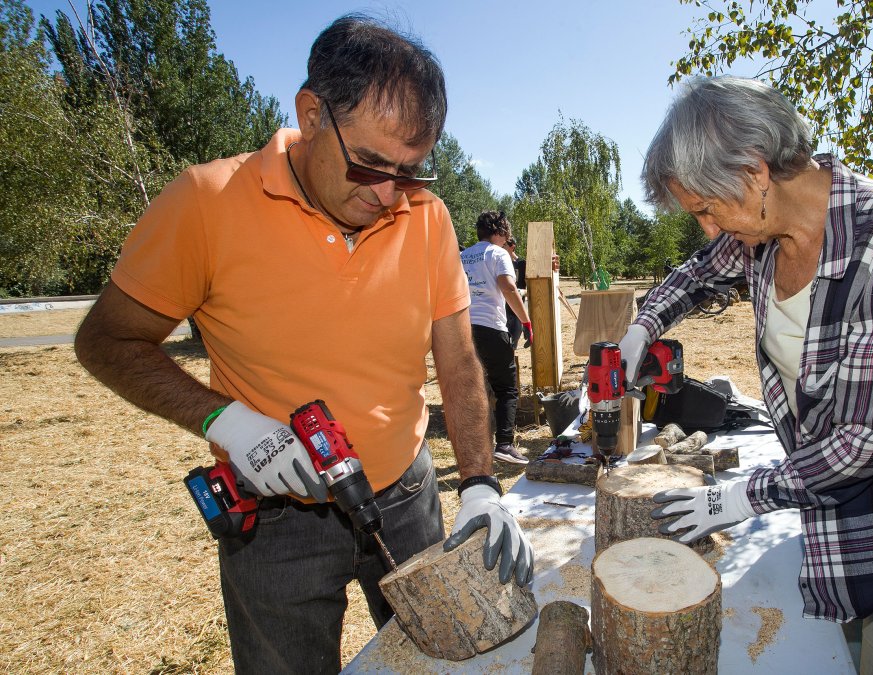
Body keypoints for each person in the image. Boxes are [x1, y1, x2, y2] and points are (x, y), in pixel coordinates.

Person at [73, 15, 532, 673]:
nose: (386, 195)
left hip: (407, 497)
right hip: (275, 524)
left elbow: (459, 361)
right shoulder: (207, 202)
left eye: (408, 172)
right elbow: (106, 340)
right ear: (312, 114)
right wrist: (227, 420)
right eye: (370, 164)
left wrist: (482, 484)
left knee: (441, 662)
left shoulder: (426, 216)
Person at [624, 76, 873, 675]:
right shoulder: (758, 232)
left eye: (707, 209)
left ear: (755, 172)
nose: (708, 228)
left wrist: (738, 496)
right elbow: (697, 272)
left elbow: (864, 441)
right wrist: (644, 327)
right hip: (841, 507)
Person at [460, 212, 533, 465]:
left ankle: (473, 450)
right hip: (490, 327)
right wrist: (525, 321)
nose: (508, 240)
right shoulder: (497, 253)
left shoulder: (461, 256)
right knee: (506, 389)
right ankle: (504, 444)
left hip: (462, 330)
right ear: (499, 232)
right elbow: (508, 287)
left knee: (473, 390)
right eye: (507, 235)